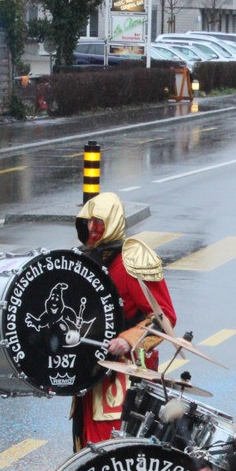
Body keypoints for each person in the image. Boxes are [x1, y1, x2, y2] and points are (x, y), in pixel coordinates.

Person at [73, 192, 177, 450]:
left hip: (126, 375)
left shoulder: (133, 260)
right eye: (88, 224)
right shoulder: (87, 259)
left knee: (114, 449)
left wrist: (127, 340)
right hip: (90, 372)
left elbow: (165, 318)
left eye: (99, 224)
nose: (93, 230)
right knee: (85, 447)